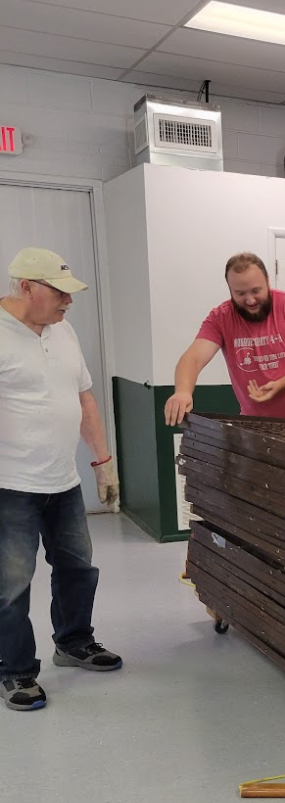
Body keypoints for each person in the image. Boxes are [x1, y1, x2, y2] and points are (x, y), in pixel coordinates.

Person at [0, 247, 122, 712]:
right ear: (26, 287)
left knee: (77, 569)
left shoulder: (63, 330)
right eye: (59, 292)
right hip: (10, 485)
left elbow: (84, 399)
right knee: (11, 583)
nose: (68, 302)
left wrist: (102, 462)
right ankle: (14, 671)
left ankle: (73, 643)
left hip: (63, 480)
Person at [164, 252, 285, 426]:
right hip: (255, 426)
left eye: (256, 291)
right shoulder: (221, 318)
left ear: (267, 282)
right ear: (230, 290)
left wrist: (280, 384)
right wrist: (183, 392)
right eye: (240, 293)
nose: (250, 300)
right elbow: (193, 358)